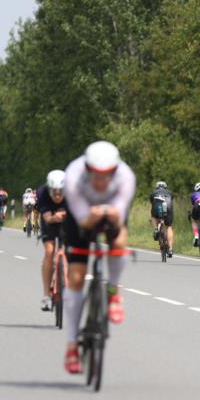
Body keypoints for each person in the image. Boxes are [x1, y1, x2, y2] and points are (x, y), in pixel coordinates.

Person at [61, 141, 136, 374]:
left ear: (114, 171)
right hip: (80, 217)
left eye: (106, 176)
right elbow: (83, 219)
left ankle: (113, 293)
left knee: (120, 242)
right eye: (96, 174)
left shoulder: (126, 176)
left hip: (112, 210)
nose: (101, 180)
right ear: (87, 168)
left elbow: (119, 213)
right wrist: (92, 216)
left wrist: (109, 215)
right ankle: (72, 345)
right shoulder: (73, 176)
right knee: (76, 277)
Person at [38, 171, 69, 312]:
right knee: (49, 251)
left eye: (60, 192)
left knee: (69, 250)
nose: (57, 196)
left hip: (66, 222)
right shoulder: (42, 193)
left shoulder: (72, 193)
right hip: (50, 221)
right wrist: (55, 217)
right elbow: (47, 219)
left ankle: (67, 285)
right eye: (54, 192)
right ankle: (46, 296)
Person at [149, 180, 174, 257]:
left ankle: (156, 229)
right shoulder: (169, 192)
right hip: (168, 207)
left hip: (156, 207)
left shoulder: (153, 193)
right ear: (165, 187)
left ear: (157, 187)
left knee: (153, 217)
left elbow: (151, 202)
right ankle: (170, 249)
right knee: (169, 226)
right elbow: (171, 200)